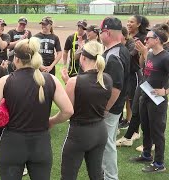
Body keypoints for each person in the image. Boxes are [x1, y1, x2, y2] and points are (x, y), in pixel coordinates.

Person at [0, 37, 74, 180]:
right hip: (41, 143)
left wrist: (0, 124)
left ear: (16, 59)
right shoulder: (51, 80)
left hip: (13, 143)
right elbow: (68, 111)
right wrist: (52, 120)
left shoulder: (6, 81)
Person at [60, 41, 113, 180]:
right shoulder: (107, 79)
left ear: (83, 58)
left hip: (79, 133)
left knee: (68, 175)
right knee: (96, 174)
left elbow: (67, 110)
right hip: (100, 131)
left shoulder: (75, 81)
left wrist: (52, 121)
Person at [130, 24, 169, 173]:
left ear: (157, 40)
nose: (145, 39)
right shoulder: (150, 53)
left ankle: (159, 163)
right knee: (146, 127)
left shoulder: (166, 57)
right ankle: (146, 154)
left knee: (157, 132)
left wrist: (165, 91)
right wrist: (143, 53)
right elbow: (144, 67)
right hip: (145, 96)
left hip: (157, 101)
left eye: (148, 38)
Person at [99, 17, 130, 180]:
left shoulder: (114, 55)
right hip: (115, 106)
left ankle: (111, 177)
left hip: (111, 107)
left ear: (108, 32)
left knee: (107, 143)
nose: (99, 35)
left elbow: (116, 88)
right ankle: (107, 174)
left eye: (101, 32)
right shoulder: (119, 49)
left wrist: (105, 109)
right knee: (106, 142)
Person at [118, 15, 149, 129]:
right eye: (128, 21)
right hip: (124, 72)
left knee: (131, 98)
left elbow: (132, 55)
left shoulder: (141, 37)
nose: (129, 24)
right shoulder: (129, 36)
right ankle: (126, 120)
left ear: (139, 24)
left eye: (132, 22)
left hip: (134, 72)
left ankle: (130, 122)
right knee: (124, 96)